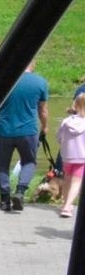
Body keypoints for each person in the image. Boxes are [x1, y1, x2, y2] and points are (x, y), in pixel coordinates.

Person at [0, 60, 49, 212]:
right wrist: (45, 127)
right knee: (29, 162)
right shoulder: (40, 82)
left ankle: (4, 200)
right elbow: (43, 110)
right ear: (33, 64)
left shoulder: (3, 79)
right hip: (28, 131)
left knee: (2, 166)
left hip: (4, 131)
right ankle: (20, 192)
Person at [57, 91, 85, 219]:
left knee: (68, 179)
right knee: (77, 182)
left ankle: (64, 203)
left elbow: (59, 138)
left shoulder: (66, 121)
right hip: (82, 157)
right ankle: (68, 206)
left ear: (76, 105)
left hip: (67, 156)